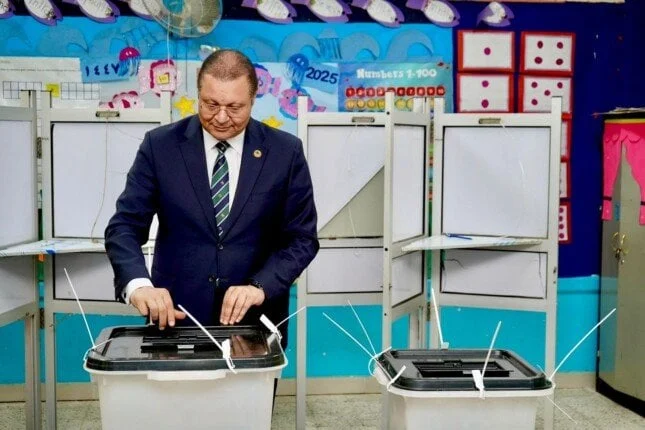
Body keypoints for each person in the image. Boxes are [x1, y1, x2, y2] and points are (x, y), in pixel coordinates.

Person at [105, 49, 319, 343]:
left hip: (255, 322)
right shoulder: (160, 147)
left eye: (234, 107)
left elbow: (302, 238)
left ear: (253, 99)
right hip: (176, 318)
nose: (221, 117)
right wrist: (138, 284)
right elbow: (124, 227)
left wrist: (261, 286)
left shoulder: (285, 152)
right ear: (198, 95)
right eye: (211, 104)